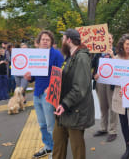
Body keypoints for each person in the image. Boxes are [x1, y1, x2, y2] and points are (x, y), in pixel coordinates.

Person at [52, 29, 95, 159]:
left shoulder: (81, 57)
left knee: (77, 148)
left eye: (63, 38)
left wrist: (65, 103)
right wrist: (54, 89)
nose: (62, 41)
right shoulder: (71, 56)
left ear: (69, 40)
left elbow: (80, 87)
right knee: (58, 142)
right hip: (65, 109)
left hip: (75, 110)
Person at [24, 30, 64, 158]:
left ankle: (56, 152)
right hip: (37, 93)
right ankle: (48, 147)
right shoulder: (36, 55)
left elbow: (61, 74)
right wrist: (29, 77)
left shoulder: (57, 55)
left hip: (50, 94)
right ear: (39, 41)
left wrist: (52, 87)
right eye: (43, 39)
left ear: (51, 42)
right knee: (42, 124)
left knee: (51, 125)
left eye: (48, 39)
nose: (45, 41)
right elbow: (34, 76)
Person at [92, 34, 118, 142]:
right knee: (103, 107)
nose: (108, 40)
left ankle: (112, 131)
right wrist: (94, 75)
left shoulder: (117, 51)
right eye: (106, 39)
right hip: (100, 82)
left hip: (112, 83)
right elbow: (93, 65)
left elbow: (121, 66)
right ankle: (103, 128)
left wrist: (112, 55)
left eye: (110, 38)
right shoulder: (98, 52)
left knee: (112, 107)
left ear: (113, 40)